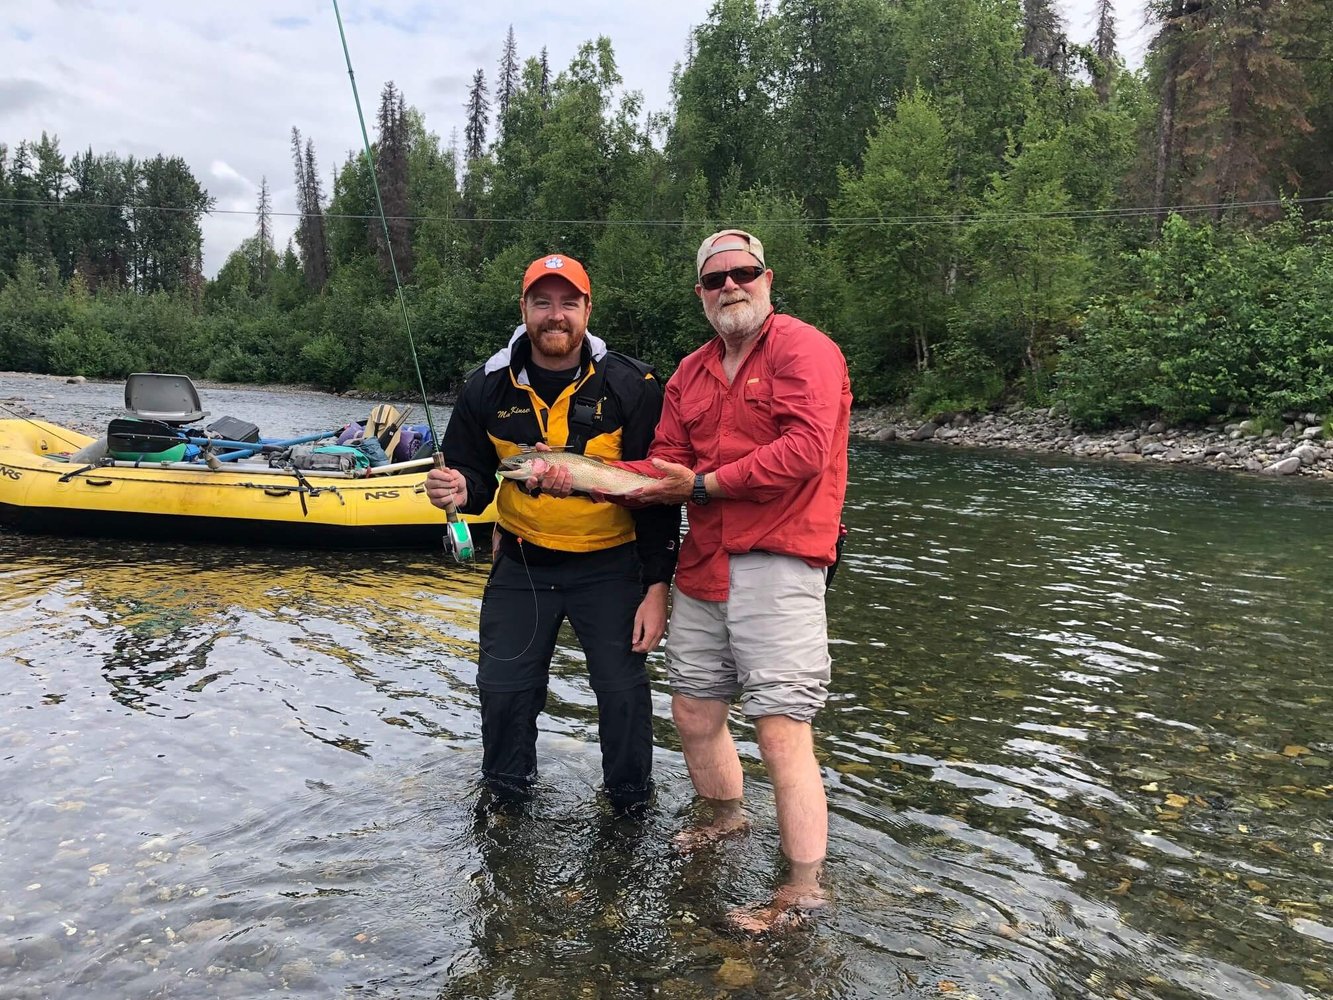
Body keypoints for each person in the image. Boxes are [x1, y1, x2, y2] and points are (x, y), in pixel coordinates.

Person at [542, 229, 851, 931]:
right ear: (701, 295)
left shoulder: (806, 349)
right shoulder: (687, 373)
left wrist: (704, 486)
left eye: (741, 274)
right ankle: (727, 819)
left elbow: (804, 450)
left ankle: (802, 887)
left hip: (781, 557)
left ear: (766, 279)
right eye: (715, 280)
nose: (730, 287)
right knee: (693, 713)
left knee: (780, 729)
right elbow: (664, 466)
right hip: (705, 562)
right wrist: (583, 479)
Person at [423, 253, 679, 811]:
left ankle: (631, 809)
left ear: (588, 309)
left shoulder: (633, 386)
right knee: (503, 692)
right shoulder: (486, 386)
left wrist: (658, 588)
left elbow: (658, 497)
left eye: (568, 303)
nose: (554, 315)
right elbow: (474, 474)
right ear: (524, 309)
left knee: (623, 698)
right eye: (543, 302)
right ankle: (507, 808)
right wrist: (458, 491)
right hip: (521, 563)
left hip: (613, 567)